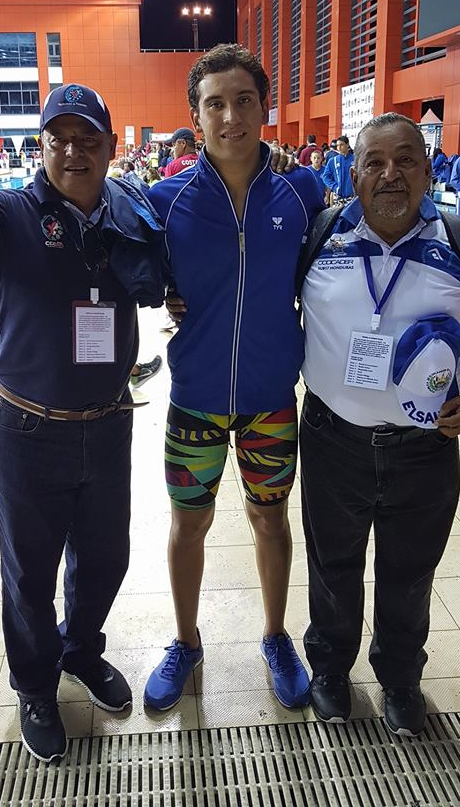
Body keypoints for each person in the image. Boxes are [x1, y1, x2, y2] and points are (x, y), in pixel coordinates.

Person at [0, 75, 166, 764]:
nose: (73, 151)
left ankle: (80, 652)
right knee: (29, 574)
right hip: (27, 427)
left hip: (107, 422)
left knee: (105, 558)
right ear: (42, 146)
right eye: (59, 139)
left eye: (88, 139)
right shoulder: (11, 214)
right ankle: (35, 687)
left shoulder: (130, 212)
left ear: (111, 147)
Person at [298, 112, 460, 736]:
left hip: (425, 447)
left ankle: (400, 677)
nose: (390, 174)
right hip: (333, 438)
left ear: (427, 169)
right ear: (355, 174)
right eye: (375, 162)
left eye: (406, 160)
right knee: (332, 564)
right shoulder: (320, 236)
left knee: (410, 571)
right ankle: (330, 669)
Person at [143, 44, 324, 713]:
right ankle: (186, 641)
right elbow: (138, 274)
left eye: (243, 101)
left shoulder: (303, 193)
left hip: (270, 398)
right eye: (214, 104)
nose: (230, 116)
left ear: (263, 108)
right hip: (195, 399)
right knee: (187, 525)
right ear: (196, 115)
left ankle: (276, 637)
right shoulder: (166, 201)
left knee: (270, 520)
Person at [322, 135, 355, 204]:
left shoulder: (355, 159)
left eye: (341, 145)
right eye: (337, 145)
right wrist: (334, 187)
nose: (339, 147)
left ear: (347, 145)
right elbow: (325, 176)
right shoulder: (333, 161)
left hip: (353, 197)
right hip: (338, 197)